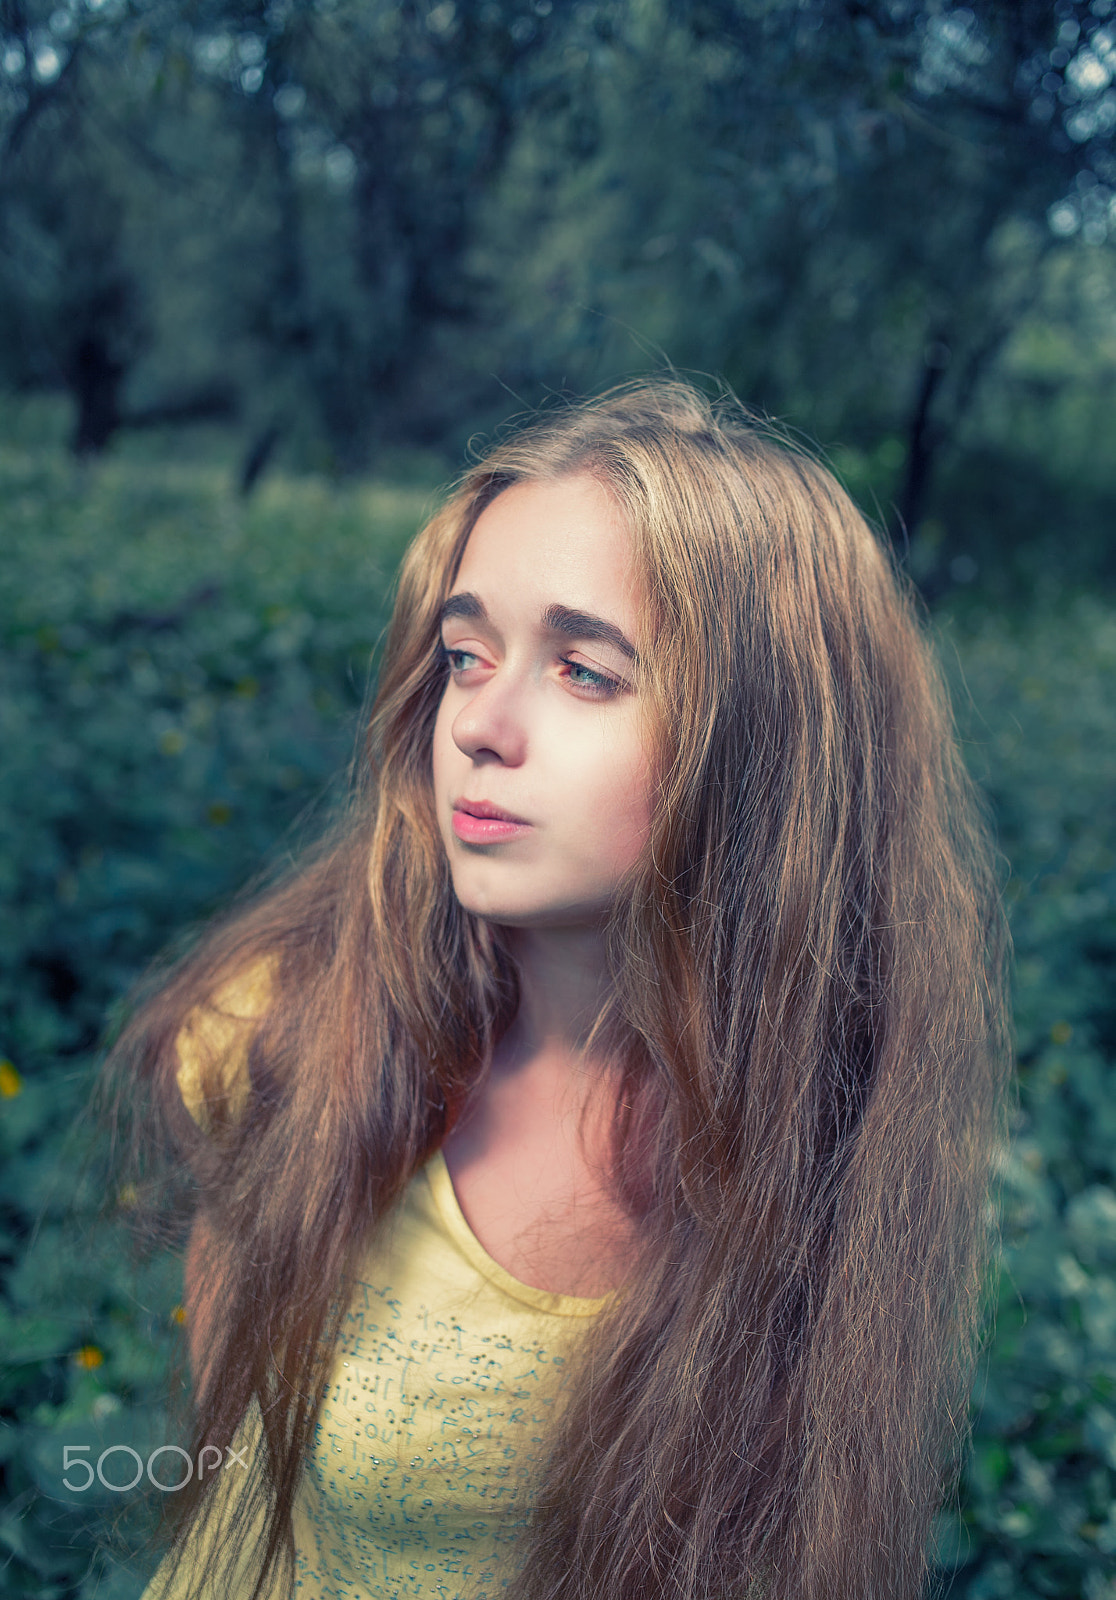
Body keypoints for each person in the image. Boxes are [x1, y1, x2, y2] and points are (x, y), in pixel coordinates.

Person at [111, 378, 1010, 1600]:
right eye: (464, 653)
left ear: (760, 748)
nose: (480, 721)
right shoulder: (281, 1038)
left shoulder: (825, 1157)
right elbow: (226, 1488)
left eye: (585, 671)